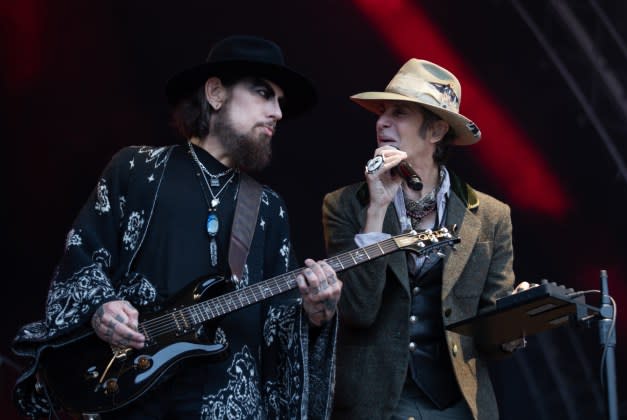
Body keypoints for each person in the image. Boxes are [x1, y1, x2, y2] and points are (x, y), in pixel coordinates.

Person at [12, 35, 341, 420]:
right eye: (263, 93)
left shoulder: (268, 207)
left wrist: (314, 314)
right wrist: (102, 309)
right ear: (216, 93)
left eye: (280, 102)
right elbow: (82, 259)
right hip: (132, 398)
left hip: (229, 406)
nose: (277, 113)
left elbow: (277, 326)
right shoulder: (136, 170)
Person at [322, 59, 529, 420]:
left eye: (398, 112)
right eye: (382, 111)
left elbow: (492, 340)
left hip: (457, 406)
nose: (382, 121)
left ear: (435, 131)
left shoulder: (491, 216)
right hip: (376, 405)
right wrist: (376, 210)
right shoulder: (343, 205)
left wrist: (515, 321)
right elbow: (357, 311)